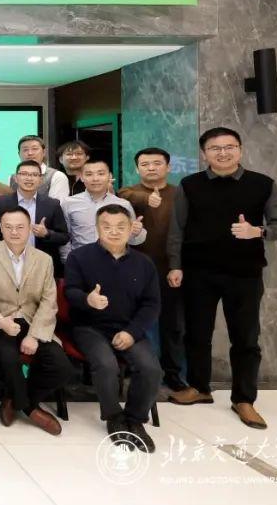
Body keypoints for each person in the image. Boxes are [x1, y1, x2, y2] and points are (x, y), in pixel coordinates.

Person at [166, 127, 277, 429]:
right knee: (197, 334)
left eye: (229, 147)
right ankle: (199, 387)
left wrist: (257, 231)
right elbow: (177, 229)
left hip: (244, 273)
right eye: (215, 148)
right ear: (204, 154)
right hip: (198, 272)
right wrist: (175, 265)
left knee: (246, 338)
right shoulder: (190, 184)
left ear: (240, 149)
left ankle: (244, 399)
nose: (222, 153)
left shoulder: (262, 184)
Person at [64, 204, 161, 452]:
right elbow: (70, 291)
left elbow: (151, 304)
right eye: (106, 226)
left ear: (130, 229)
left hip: (129, 327)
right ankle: (114, 417)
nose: (114, 232)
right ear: (97, 229)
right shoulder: (79, 257)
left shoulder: (144, 263)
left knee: (151, 369)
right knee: (106, 365)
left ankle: (135, 419)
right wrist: (87, 299)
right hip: (90, 327)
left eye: (120, 227)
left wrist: (131, 332)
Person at [0, 208, 70, 436]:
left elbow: (49, 301)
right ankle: (31, 410)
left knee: (61, 366)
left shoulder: (43, 259)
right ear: (1, 228)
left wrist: (34, 335)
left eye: (20, 227)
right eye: (8, 227)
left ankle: (16, 400)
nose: (14, 232)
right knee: (8, 358)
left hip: (33, 322)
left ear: (29, 228)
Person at [117, 147, 187, 392]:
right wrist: (147, 199)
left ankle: (173, 373)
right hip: (134, 270)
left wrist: (178, 266)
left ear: (168, 167)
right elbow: (125, 196)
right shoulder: (128, 193)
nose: (151, 168)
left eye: (157, 163)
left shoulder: (180, 193)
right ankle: (131, 368)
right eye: (145, 164)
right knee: (131, 320)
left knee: (172, 324)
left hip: (171, 269)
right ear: (137, 169)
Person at [0, 160, 70, 277]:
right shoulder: (1, 203)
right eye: (24, 174)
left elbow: (64, 237)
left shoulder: (52, 204)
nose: (29, 178)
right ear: (16, 178)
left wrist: (47, 234)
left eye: (34, 175)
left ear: (41, 180)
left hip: (41, 266)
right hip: (8, 264)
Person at [61, 160, 146, 261]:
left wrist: (136, 232)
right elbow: (64, 237)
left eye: (101, 174)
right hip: (80, 260)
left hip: (115, 261)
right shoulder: (68, 203)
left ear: (109, 176)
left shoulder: (123, 204)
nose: (95, 179)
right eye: (89, 174)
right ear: (82, 177)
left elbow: (132, 240)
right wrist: (67, 260)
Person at [8, 136, 69, 203]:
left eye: (34, 149)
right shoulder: (12, 178)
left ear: (44, 152)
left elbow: (57, 206)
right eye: (25, 150)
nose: (30, 153)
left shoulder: (57, 176)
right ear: (19, 154)